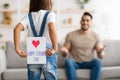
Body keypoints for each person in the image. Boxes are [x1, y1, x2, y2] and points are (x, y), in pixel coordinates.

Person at [14, 0, 57, 80]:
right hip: (48, 52)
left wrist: (17, 49)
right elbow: (51, 27)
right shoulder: (50, 14)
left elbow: (16, 29)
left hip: (33, 54)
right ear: (48, 2)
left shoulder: (29, 16)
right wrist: (55, 48)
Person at [60, 12, 105, 80]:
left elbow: (101, 56)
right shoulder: (71, 35)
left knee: (98, 61)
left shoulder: (96, 36)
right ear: (80, 22)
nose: (85, 22)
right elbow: (64, 53)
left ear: (91, 22)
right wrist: (64, 52)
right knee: (68, 61)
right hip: (75, 62)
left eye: (87, 20)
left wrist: (100, 52)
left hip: (89, 62)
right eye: (83, 20)